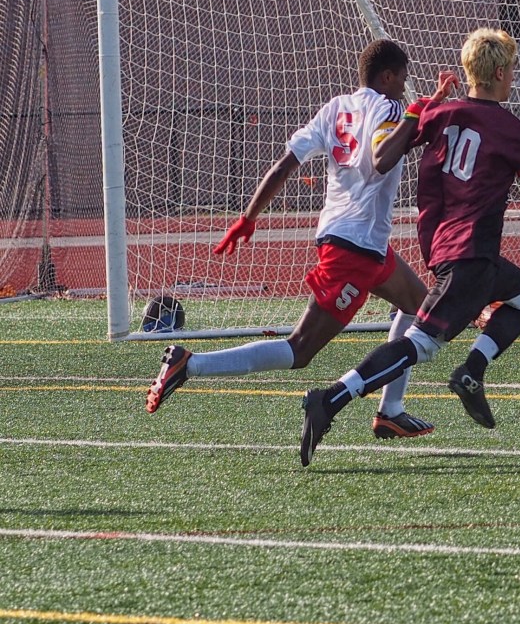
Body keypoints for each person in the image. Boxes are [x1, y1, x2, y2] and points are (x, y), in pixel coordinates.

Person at [146, 38, 458, 441]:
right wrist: (422, 109)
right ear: (386, 77)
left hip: (356, 240)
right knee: (299, 349)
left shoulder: (335, 108)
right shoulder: (392, 108)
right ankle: (189, 364)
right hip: (355, 250)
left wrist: (248, 218)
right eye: (402, 78)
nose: (404, 86)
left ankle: (391, 410)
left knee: (419, 305)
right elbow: (383, 158)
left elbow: (284, 165)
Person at [298, 27, 520, 467]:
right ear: (500, 73)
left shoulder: (437, 113)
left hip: (449, 249)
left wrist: (421, 106)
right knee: (420, 345)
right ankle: (331, 399)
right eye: (511, 70)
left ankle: (472, 372)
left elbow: (386, 152)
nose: (513, 78)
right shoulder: (511, 129)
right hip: (471, 256)